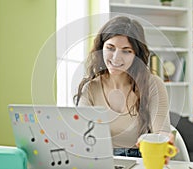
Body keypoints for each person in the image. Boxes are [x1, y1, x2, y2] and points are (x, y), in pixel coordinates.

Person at [74, 16, 173, 158]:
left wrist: (164, 141)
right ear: (101, 48)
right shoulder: (90, 88)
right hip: (101, 159)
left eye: (126, 51)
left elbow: (161, 133)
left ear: (136, 55)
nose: (116, 58)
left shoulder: (153, 84)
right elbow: (81, 135)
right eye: (110, 48)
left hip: (140, 160)